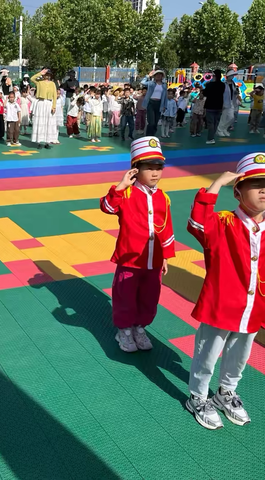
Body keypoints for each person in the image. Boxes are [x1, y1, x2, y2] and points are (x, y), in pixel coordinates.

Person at [186, 154, 265, 430]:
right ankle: (198, 396)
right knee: (208, 351)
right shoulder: (223, 223)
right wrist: (215, 185)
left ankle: (226, 392)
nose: (263, 189)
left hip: (254, 305)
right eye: (255, 184)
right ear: (238, 192)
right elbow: (197, 224)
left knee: (241, 353)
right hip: (222, 303)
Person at [100, 137, 175, 352]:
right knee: (125, 297)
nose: (155, 173)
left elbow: (166, 228)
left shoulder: (164, 198)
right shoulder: (126, 194)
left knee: (149, 298)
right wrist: (121, 185)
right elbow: (107, 207)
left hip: (153, 262)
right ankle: (123, 331)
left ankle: (139, 328)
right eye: (149, 168)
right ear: (135, 170)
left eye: (159, 168)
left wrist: (166, 256)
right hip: (129, 260)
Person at [30, 68, 57, 149]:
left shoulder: (52, 84)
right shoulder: (39, 83)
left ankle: (47, 142)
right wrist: (40, 73)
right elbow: (32, 78)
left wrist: (54, 106)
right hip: (41, 103)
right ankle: (39, 141)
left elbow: (55, 95)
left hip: (49, 103)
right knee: (40, 121)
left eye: (48, 75)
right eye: (46, 74)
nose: (47, 76)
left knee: (48, 122)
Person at [141, 70, 168, 136]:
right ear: (154, 76)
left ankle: (152, 136)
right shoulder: (151, 83)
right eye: (157, 75)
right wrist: (147, 76)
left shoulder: (164, 85)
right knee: (151, 122)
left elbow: (165, 96)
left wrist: (165, 105)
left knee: (156, 122)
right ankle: (148, 136)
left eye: (160, 75)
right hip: (151, 103)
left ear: (162, 76)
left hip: (159, 104)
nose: (158, 76)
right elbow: (143, 82)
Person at [203, 69, 225, 145]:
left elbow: (205, 93)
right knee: (216, 122)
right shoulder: (222, 85)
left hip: (210, 106)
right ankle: (212, 136)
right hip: (219, 106)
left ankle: (210, 138)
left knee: (210, 123)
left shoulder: (209, 85)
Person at [216, 70, 238, 138]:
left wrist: (236, 92)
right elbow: (220, 94)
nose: (232, 77)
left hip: (232, 102)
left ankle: (224, 129)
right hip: (225, 102)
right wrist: (221, 103)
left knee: (231, 117)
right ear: (227, 76)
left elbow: (234, 92)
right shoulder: (223, 84)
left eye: (233, 75)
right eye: (231, 75)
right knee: (224, 117)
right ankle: (219, 130)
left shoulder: (233, 83)